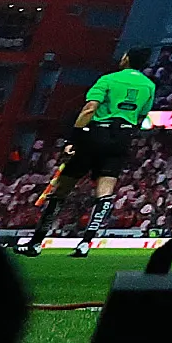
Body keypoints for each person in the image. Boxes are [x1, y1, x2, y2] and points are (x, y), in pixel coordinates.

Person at [23, 49, 155, 255]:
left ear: (127, 58)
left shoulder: (108, 79)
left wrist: (73, 139)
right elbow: (141, 116)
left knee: (62, 189)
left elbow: (89, 109)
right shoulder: (149, 85)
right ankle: (86, 243)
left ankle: (36, 243)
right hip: (122, 138)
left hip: (95, 134)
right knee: (105, 192)